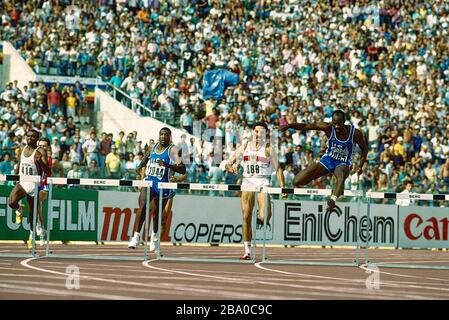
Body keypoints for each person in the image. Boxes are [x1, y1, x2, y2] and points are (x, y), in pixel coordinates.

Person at [280, 110, 368, 212]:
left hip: (343, 162)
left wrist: (360, 166)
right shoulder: (328, 127)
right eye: (334, 124)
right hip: (328, 160)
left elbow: (364, 150)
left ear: (344, 121)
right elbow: (306, 126)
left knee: (341, 174)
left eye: (339, 124)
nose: (336, 127)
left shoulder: (355, 133)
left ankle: (333, 200)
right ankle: (330, 191)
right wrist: (289, 125)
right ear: (331, 122)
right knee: (297, 180)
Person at [226, 121, 286, 260]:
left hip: (263, 182)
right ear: (253, 132)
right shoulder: (245, 145)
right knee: (246, 216)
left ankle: (260, 217)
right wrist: (232, 168)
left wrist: (283, 186)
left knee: (265, 216)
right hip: (248, 181)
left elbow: (278, 169)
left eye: (262, 132)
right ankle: (247, 250)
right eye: (257, 131)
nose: (258, 134)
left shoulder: (269, 148)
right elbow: (229, 162)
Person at [128, 128, 186, 252]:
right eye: (161, 134)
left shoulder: (173, 150)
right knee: (143, 205)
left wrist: (167, 165)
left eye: (166, 135)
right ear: (158, 135)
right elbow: (145, 158)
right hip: (149, 181)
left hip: (163, 185)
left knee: (157, 214)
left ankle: (154, 238)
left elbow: (182, 169)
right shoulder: (152, 146)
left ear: (170, 137)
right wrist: (140, 166)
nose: (163, 137)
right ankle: (136, 236)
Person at [9, 130, 50, 249]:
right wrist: (15, 174)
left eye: (33, 137)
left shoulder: (40, 151)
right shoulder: (23, 148)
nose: (30, 138)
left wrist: (39, 161)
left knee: (32, 214)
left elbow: (47, 171)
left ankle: (31, 235)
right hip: (22, 181)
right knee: (11, 202)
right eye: (28, 136)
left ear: (37, 139)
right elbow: (20, 161)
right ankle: (19, 208)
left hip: (33, 184)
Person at [35, 137, 53, 246]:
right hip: (36, 184)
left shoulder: (50, 159)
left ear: (48, 147)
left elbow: (50, 169)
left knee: (36, 202)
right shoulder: (34, 156)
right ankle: (41, 227)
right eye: (40, 146)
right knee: (36, 207)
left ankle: (40, 227)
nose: (41, 148)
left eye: (44, 146)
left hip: (45, 185)